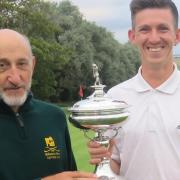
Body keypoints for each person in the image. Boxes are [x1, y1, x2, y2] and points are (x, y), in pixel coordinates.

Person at [88, 0, 180, 179]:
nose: (154, 38)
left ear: (177, 36)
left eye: (163, 28)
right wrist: (104, 158)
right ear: (132, 36)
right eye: (144, 29)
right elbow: (116, 164)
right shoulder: (115, 98)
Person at [0, 29, 97, 180]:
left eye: (21, 64)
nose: (15, 78)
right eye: (2, 65)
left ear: (33, 65)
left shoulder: (54, 117)